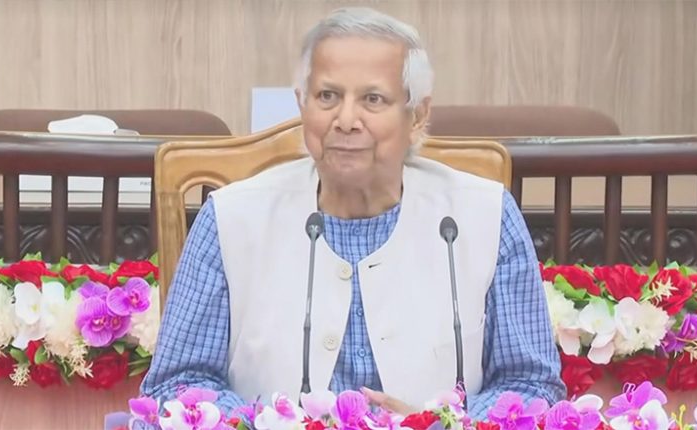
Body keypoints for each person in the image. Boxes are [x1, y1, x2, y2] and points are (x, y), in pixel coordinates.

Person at [140, 6, 565, 422]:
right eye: (327, 96)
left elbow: (529, 383)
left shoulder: (484, 216)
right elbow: (177, 383)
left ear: (417, 116)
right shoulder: (230, 218)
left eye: (372, 99)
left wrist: (441, 423)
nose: (345, 120)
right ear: (301, 103)